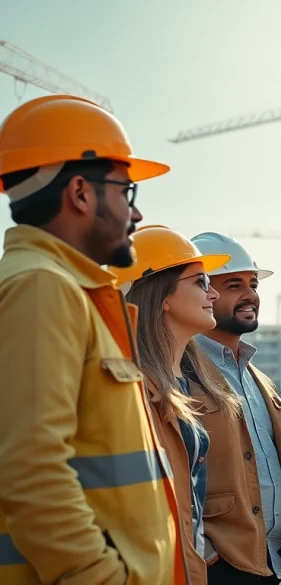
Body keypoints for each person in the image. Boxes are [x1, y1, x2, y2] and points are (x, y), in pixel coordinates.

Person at [0, 95, 186, 585]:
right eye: (126, 190)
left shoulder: (64, 290)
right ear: (80, 192)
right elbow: (30, 470)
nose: (138, 212)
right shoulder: (42, 286)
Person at [110, 225, 244, 585]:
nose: (213, 292)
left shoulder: (189, 383)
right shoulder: (130, 386)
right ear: (163, 295)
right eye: (200, 281)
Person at [190, 231, 281, 584]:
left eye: (253, 284)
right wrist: (207, 553)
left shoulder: (261, 381)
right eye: (234, 285)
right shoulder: (181, 370)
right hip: (220, 566)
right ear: (204, 292)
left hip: (269, 563)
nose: (250, 295)